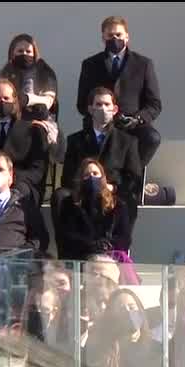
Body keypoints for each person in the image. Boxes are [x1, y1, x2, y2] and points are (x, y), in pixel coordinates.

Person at [77, 16, 163, 166]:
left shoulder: (143, 64)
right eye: (110, 35)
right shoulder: (90, 64)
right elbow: (82, 102)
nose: (114, 38)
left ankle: (131, 176)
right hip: (100, 123)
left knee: (152, 138)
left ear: (127, 37)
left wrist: (137, 119)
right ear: (103, 38)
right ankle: (103, 180)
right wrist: (101, 116)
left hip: (133, 124)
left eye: (118, 35)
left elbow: (154, 104)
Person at [56, 87, 143, 233]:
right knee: (60, 196)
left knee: (128, 200)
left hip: (111, 191)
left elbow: (134, 179)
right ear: (90, 109)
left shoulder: (128, 142)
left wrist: (112, 187)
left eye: (107, 104)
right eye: (98, 104)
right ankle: (67, 252)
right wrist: (85, 185)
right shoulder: (75, 140)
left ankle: (118, 249)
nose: (103, 108)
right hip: (83, 191)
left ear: (115, 109)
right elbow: (67, 178)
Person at [56, 158, 132, 262]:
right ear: (81, 179)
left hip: (110, 259)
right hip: (81, 259)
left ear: (103, 177)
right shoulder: (69, 204)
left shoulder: (118, 205)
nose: (91, 177)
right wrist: (91, 245)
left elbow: (125, 239)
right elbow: (67, 236)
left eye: (95, 173)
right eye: (87, 175)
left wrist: (106, 245)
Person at [84, 288, 162, 367]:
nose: (128, 312)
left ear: (141, 312)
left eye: (132, 307)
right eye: (121, 309)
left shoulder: (158, 351)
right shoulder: (101, 353)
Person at [0, 34, 60, 123]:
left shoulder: (45, 72)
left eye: (28, 51)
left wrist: (28, 99)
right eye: (20, 51)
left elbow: (49, 100)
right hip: (13, 119)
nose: (24, 54)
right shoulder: (6, 72)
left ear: (34, 53)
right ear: (12, 53)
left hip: (40, 119)